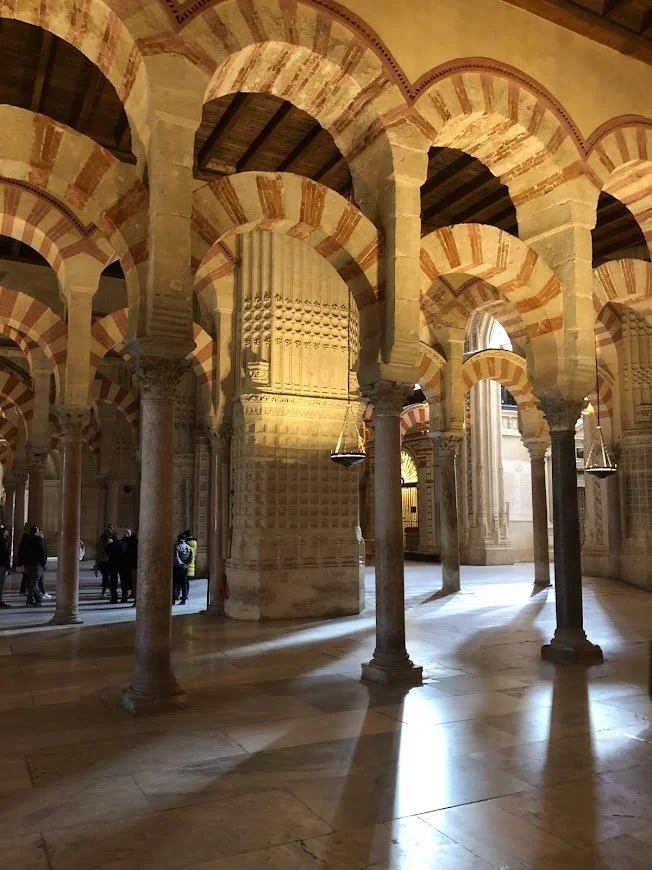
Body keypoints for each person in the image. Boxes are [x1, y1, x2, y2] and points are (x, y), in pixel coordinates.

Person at [16, 525, 47, 607]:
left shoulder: (25, 540)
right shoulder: (39, 539)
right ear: (37, 532)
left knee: (32, 582)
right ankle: (29, 600)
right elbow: (42, 553)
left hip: (27, 564)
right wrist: (43, 564)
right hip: (36, 564)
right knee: (34, 583)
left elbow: (20, 552)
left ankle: (37, 599)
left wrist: (20, 563)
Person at [105, 534, 126, 604]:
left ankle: (114, 598)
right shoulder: (123, 544)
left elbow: (106, 552)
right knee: (123, 582)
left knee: (113, 583)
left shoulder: (111, 545)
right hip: (122, 565)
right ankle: (124, 598)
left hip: (113, 565)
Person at [173, 533, 192, 605]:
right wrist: (186, 564)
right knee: (184, 584)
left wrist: (181, 564)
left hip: (177, 568)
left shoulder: (177, 547)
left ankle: (173, 599)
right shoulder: (188, 547)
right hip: (185, 568)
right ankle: (183, 599)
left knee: (175, 584)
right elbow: (191, 557)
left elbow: (176, 557)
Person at [95, 527, 112, 597]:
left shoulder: (100, 543)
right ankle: (108, 592)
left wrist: (96, 564)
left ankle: (105, 592)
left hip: (102, 562)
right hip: (107, 562)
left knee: (105, 577)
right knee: (106, 578)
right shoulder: (110, 542)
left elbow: (98, 554)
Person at [125, 530, 138, 606]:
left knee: (135, 584)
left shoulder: (130, 546)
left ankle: (136, 600)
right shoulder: (139, 546)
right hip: (139, 567)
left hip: (133, 567)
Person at [0, 527, 11, 607]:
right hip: (2, 564)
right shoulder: (3, 542)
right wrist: (7, 565)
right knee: (1, 584)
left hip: (3, 564)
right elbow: (5, 555)